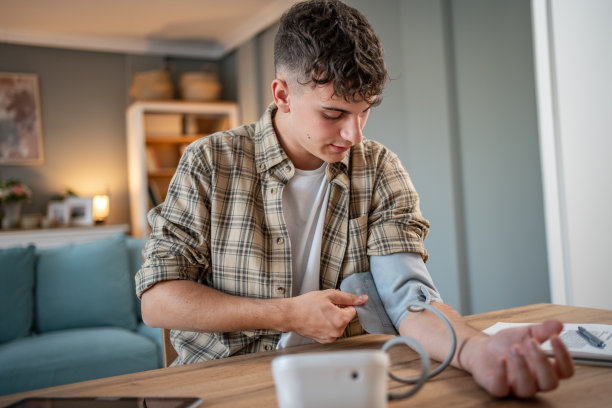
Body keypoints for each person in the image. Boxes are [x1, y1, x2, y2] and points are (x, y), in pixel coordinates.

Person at [136, 0, 574, 398]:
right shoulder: (210, 162)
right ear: (282, 95)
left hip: (344, 380)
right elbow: (157, 300)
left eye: (365, 110)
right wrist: (286, 314)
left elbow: (409, 298)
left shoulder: (380, 168)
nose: (355, 134)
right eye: (334, 114)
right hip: (224, 384)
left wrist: (478, 350)